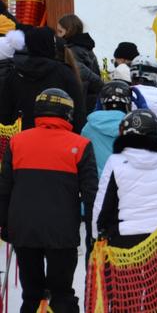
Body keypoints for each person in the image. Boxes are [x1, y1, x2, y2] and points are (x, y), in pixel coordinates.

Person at [0, 88, 98, 313]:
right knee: (62, 294)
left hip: (23, 230)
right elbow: (91, 193)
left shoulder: (17, 142)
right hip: (62, 233)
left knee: (32, 294)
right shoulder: (80, 145)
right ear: (68, 114)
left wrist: (5, 223)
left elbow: (4, 188)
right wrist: (93, 231)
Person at [93, 109, 157, 248]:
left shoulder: (115, 161)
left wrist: (97, 233)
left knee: (124, 270)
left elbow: (103, 200)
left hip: (123, 235)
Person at [0, 27, 86, 132]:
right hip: (58, 136)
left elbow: (5, 113)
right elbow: (78, 111)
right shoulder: (64, 73)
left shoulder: (15, 73)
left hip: (22, 137)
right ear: (50, 44)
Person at [56, 14, 103, 114]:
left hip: (83, 101)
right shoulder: (85, 46)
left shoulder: (73, 50)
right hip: (91, 98)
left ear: (69, 31)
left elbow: (81, 76)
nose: (58, 35)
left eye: (60, 31)